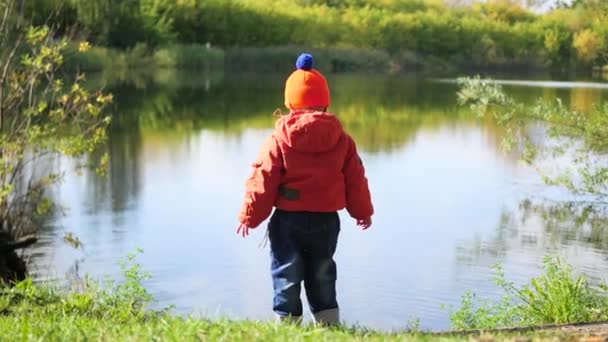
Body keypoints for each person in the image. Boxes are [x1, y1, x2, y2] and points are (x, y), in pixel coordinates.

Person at [236, 53, 374, 326]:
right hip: (325, 220)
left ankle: (287, 326)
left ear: (289, 103)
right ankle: (328, 324)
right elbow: (355, 178)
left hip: (288, 220)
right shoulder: (342, 139)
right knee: (322, 270)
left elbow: (263, 178)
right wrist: (362, 212)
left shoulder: (279, 138)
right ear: (325, 102)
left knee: (286, 271)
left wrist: (249, 216)